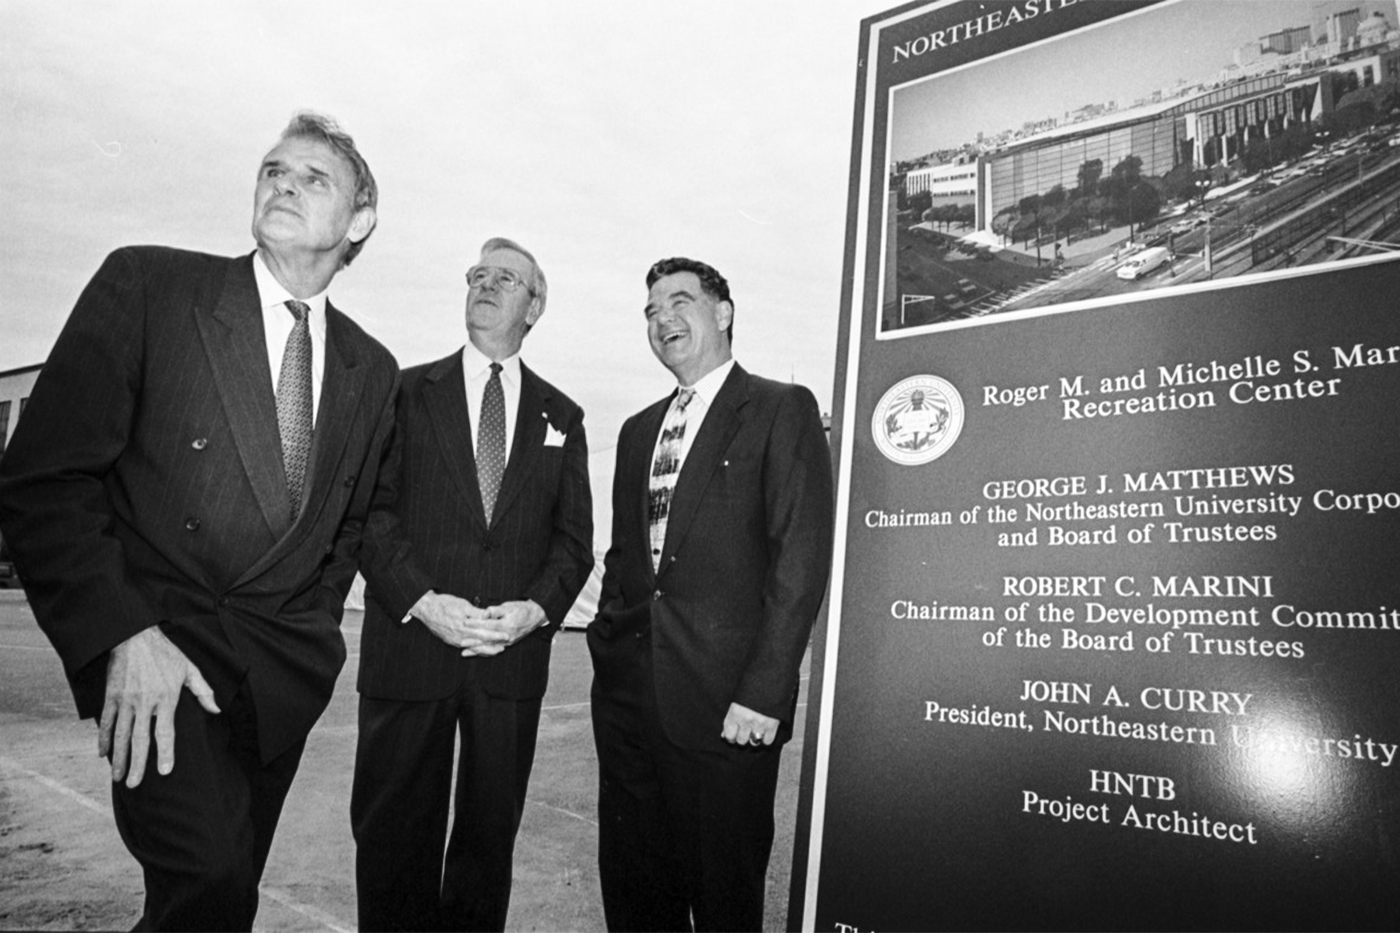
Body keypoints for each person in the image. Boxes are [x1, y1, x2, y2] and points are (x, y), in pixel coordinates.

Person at [0, 112, 397, 931]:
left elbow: (345, 530)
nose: (283, 182)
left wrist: (314, 639)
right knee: (207, 882)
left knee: (223, 899)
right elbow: (45, 478)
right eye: (273, 170)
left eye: (314, 177)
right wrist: (122, 636)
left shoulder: (372, 367)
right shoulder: (151, 286)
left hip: (278, 681)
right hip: (160, 659)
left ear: (360, 220)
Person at [353, 237, 593, 932]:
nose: (487, 285)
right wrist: (423, 602)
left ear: (534, 304)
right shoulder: (402, 392)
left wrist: (533, 610)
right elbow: (371, 511)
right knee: (394, 837)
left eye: (506, 278)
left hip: (508, 663)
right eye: (478, 275)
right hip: (410, 651)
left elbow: (572, 541)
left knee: (488, 844)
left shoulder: (562, 416)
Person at [587, 257, 834, 931]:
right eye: (650, 311)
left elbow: (800, 557)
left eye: (679, 301)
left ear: (723, 311)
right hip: (630, 706)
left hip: (728, 711)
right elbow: (627, 559)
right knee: (638, 895)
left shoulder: (781, 409)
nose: (662, 318)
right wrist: (608, 656)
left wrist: (765, 690)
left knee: (724, 898)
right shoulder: (639, 430)